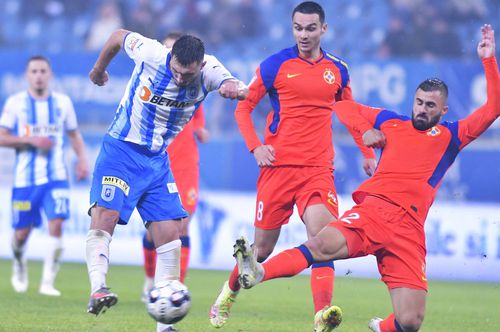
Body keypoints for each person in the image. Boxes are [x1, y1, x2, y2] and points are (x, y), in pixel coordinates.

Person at [231, 24, 499, 332]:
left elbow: (493, 108)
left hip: (409, 230)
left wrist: (488, 60)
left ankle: (380, 327)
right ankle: (260, 271)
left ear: (443, 110)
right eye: (419, 102)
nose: (422, 110)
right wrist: (366, 130)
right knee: (320, 245)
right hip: (374, 212)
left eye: (430, 106)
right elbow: (343, 106)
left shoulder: (452, 135)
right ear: (413, 100)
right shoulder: (391, 122)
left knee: (410, 321)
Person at [209, 1, 376, 330]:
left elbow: (351, 115)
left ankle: (321, 315)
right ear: (292, 28)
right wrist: (256, 147)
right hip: (278, 169)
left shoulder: (338, 70)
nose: (304, 34)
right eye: (298, 28)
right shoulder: (274, 66)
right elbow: (243, 109)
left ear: (323, 29)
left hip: (317, 170)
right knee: (262, 250)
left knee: (324, 238)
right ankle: (227, 295)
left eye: (310, 28)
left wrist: (366, 151)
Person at [85, 28, 247, 332]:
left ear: (200, 66)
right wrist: (98, 69)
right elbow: (118, 35)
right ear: (170, 58)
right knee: (105, 216)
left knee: (171, 233)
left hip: (157, 160)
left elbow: (231, 84)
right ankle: (99, 288)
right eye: (176, 70)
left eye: (187, 74)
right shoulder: (151, 53)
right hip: (121, 149)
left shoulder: (211, 70)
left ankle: (164, 325)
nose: (180, 79)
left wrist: (233, 88)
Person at [0, 55, 89, 297]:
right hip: (25, 181)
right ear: (27, 76)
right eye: (34, 71)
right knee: (21, 234)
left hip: (56, 177)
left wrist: (82, 159)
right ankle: (19, 261)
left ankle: (47, 282)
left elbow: (74, 135)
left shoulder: (62, 103)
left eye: (42, 71)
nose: (38, 75)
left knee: (57, 223)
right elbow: (2, 136)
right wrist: (28, 139)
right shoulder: (15, 103)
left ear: (50, 75)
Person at [141, 31, 210, 301]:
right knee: (155, 229)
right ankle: (150, 280)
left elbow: (199, 117)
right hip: (156, 162)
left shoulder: (194, 85)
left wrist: (201, 130)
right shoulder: (151, 83)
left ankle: (174, 287)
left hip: (185, 164)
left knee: (182, 227)